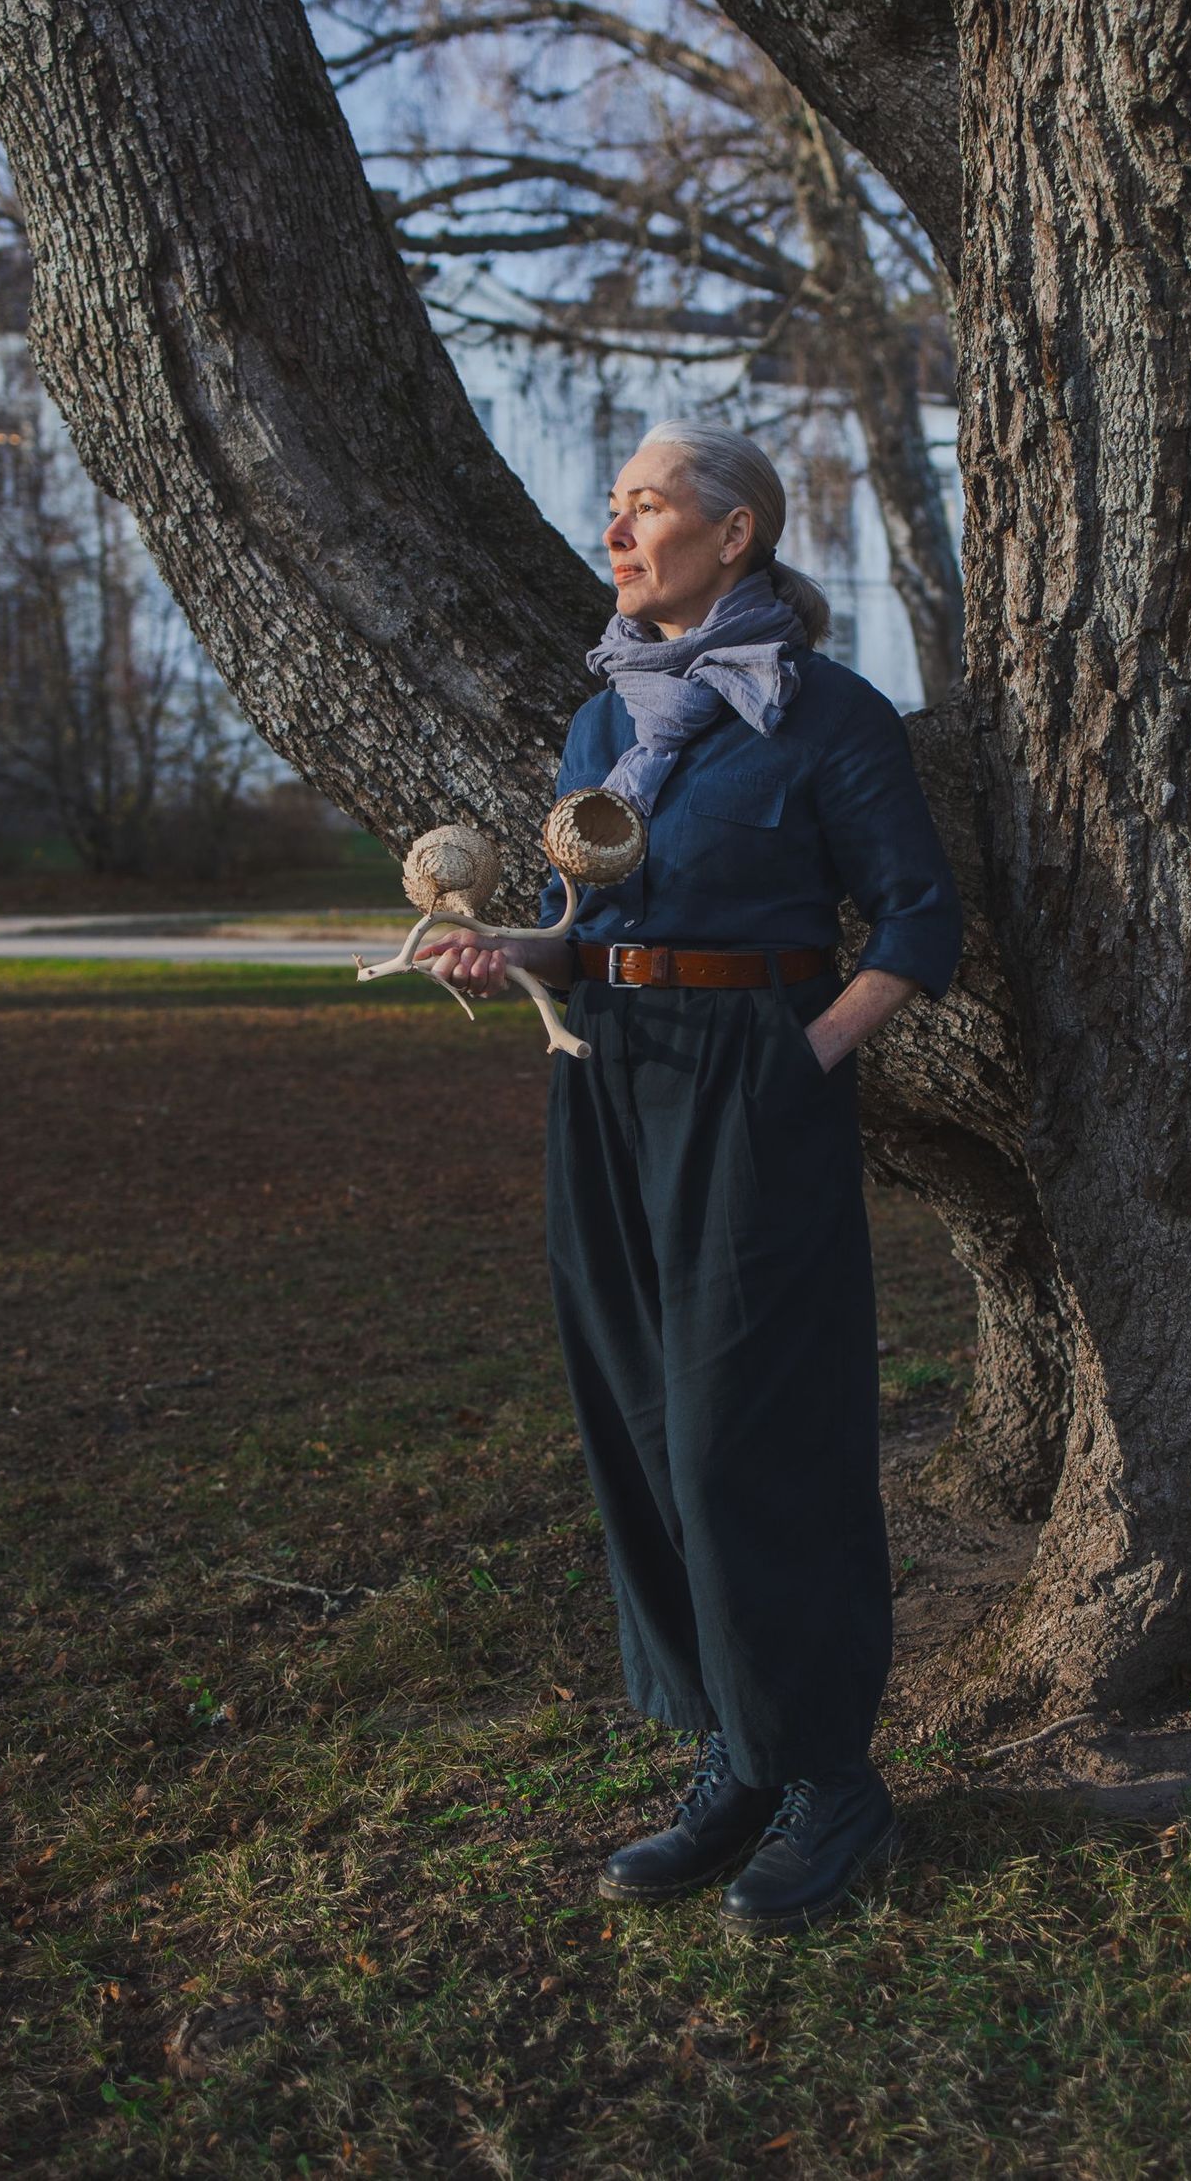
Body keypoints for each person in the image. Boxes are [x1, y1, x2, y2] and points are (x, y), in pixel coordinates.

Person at [419, 419, 961, 1933]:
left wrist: (804, 1058)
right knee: (643, 1418)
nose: (617, 528)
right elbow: (579, 925)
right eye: (613, 506)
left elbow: (920, 925)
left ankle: (832, 1780)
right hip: (601, 1072)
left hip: (749, 1086)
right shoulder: (608, 724)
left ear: (737, 536)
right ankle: (734, 1751)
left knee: (752, 1433)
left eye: (646, 505)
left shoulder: (830, 717)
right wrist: (512, 950)